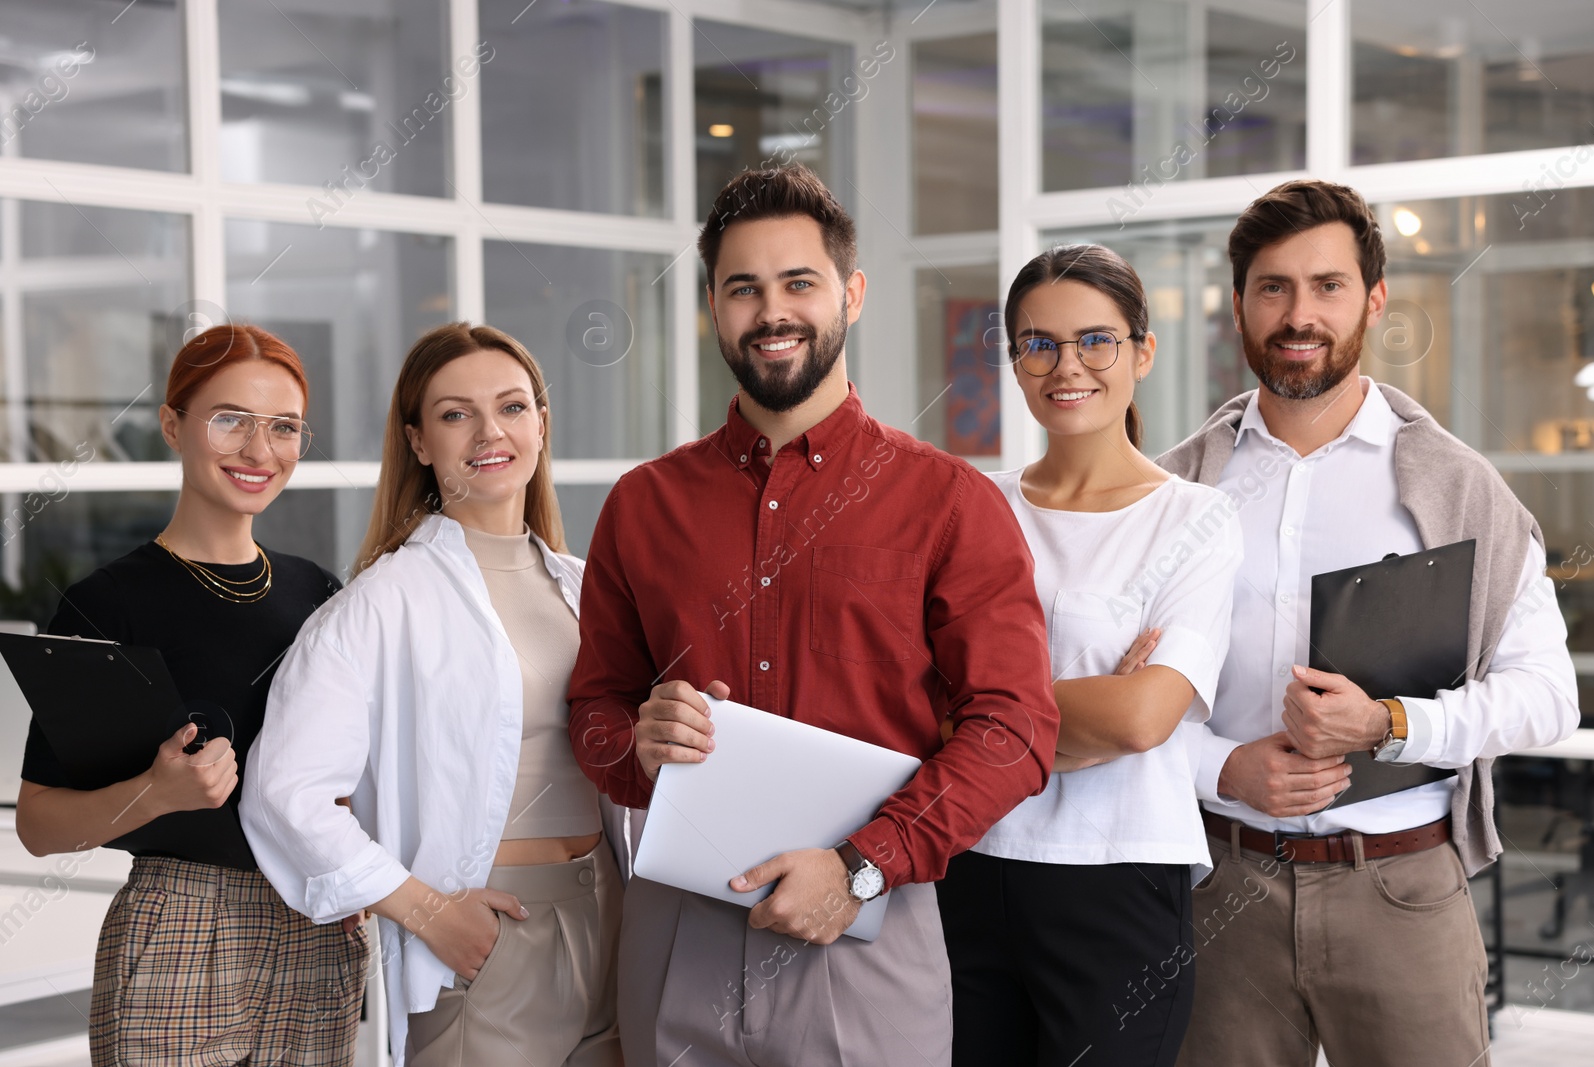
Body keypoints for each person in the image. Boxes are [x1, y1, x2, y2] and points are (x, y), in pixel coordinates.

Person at [567, 163, 1059, 1067]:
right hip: (679, 933)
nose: (772, 311)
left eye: (799, 282)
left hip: (865, 925)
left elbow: (1017, 727)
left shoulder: (949, 502)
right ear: (713, 305)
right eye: (743, 288)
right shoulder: (643, 504)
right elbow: (592, 712)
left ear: (852, 293)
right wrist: (635, 745)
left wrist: (863, 866)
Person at [1159, 179, 1580, 1067]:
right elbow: (1110, 706)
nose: (1297, 313)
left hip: (1402, 889)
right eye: (1272, 287)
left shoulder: (1457, 488)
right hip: (1216, 885)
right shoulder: (1175, 492)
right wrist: (1222, 765)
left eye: (1328, 285)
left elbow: (1548, 695)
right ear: (1237, 303)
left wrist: (1392, 725)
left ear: (1375, 300)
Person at [241, 323, 623, 1067]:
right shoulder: (379, 604)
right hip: (491, 935)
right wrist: (429, 912)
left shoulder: (588, 589)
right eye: (456, 414)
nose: (490, 431)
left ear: (541, 425)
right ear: (418, 441)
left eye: (513, 407)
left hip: (614, 912)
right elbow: (283, 794)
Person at [14, 324, 366, 1067]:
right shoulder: (105, 605)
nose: (258, 450)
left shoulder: (320, 594)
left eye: (284, 428)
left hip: (316, 914)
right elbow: (39, 824)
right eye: (229, 419)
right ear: (174, 423)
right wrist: (155, 791)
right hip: (184, 921)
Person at [936, 244, 1243, 1067]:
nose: (1066, 365)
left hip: (1116, 878)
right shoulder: (973, 506)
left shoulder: (1198, 520)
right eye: (1039, 344)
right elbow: (917, 704)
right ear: (1014, 360)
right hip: (960, 865)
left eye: (1095, 340)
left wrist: (990, 714)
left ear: (1142, 350)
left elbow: (1145, 719)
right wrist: (1085, 704)